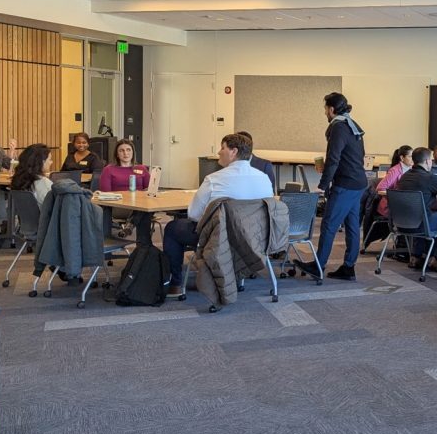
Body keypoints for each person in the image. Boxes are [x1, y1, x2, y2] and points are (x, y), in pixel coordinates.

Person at [162, 133, 274, 295]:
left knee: (172, 228)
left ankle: (175, 284)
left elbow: (194, 214)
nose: (219, 152)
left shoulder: (214, 179)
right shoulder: (264, 178)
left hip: (219, 238)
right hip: (254, 238)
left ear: (233, 152)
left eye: (222, 148)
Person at [294, 92, 368, 281]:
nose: (325, 113)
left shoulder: (339, 127)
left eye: (325, 109)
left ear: (332, 109)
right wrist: (328, 171)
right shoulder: (352, 125)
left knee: (328, 225)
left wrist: (322, 184)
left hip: (345, 184)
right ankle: (348, 267)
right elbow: (355, 156)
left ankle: (318, 266)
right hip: (358, 182)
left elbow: (334, 158)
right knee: (352, 226)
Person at [395, 147, 437, 270]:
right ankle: (436, 259)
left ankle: (415, 256)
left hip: (401, 224)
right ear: (427, 161)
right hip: (421, 225)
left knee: (423, 215)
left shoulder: (404, 177)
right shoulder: (429, 178)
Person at [98, 140, 153, 242]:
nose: (125, 153)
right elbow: (105, 194)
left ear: (133, 152)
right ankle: (144, 248)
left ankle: (130, 226)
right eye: (121, 151)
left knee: (145, 208)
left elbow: (150, 189)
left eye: (128, 150)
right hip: (119, 206)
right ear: (117, 154)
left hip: (141, 204)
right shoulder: (109, 170)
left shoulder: (142, 168)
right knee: (145, 212)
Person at [376, 145, 413, 218]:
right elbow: (380, 188)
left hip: (406, 203)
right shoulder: (394, 171)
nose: (413, 159)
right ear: (402, 158)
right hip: (393, 206)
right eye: (410, 156)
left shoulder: (413, 169)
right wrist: (396, 195)